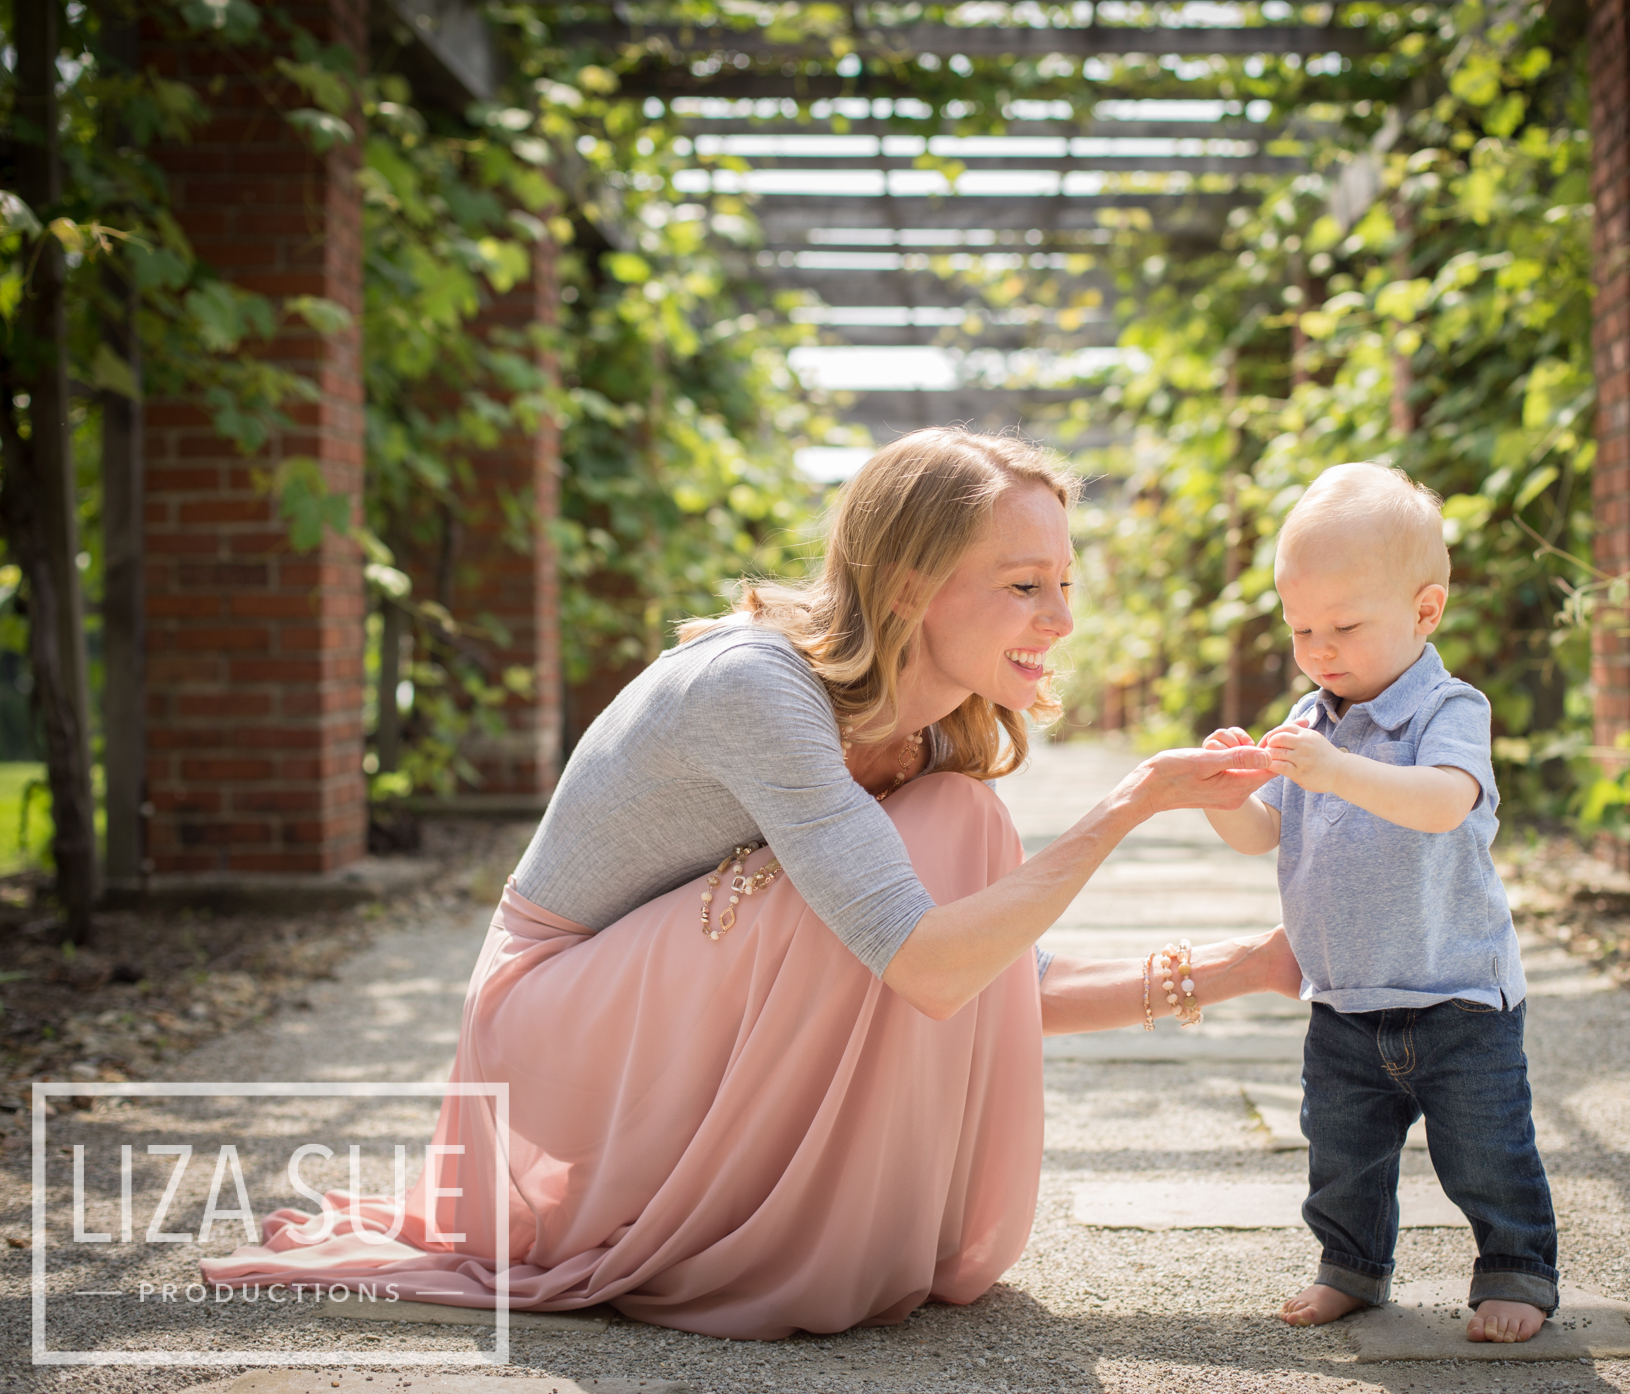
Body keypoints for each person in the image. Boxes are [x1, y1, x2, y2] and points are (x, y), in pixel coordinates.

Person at [202, 429, 1299, 1339]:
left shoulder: (929, 744)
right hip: (554, 1020)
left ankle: (837, 1225)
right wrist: (1127, 805)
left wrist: (1244, 966)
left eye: (1063, 582)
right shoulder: (756, 687)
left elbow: (994, 973)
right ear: (910, 586)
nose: (1058, 619)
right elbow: (923, 963)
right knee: (942, 850)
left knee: (962, 820)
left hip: (673, 1013)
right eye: (1023, 585)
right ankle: (789, 1241)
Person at [1200, 461, 1559, 1344]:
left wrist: (1339, 771)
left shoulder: (1448, 708)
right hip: (1346, 997)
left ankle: (1516, 1266)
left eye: (1345, 626)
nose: (1320, 650)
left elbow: (1442, 803)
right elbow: (1262, 835)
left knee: (1485, 1151)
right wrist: (1218, 794)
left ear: (1425, 611)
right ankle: (1352, 1265)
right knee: (1342, 1154)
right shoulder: (1311, 721)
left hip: (1457, 997)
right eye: (1301, 629)